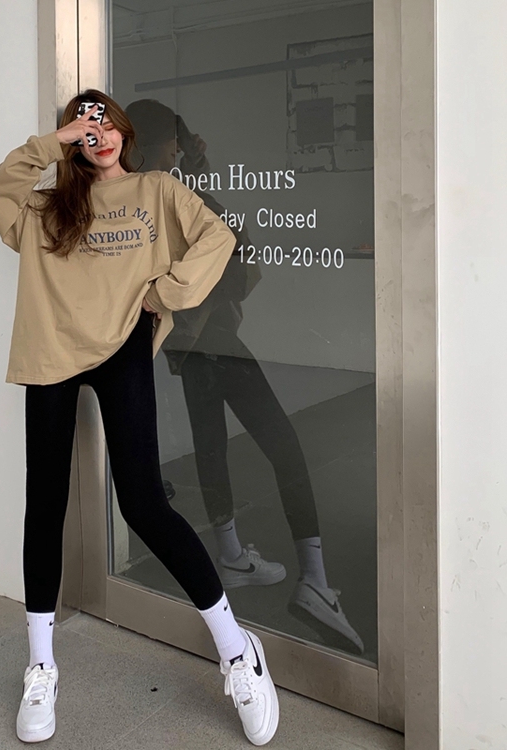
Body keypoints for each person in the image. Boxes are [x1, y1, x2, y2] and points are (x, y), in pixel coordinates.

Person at [0, 89, 279, 746]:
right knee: (45, 503)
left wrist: (165, 293)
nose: (99, 136)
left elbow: (218, 236)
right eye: (84, 130)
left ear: (124, 131)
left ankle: (237, 651)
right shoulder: (48, 207)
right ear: (72, 143)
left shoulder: (156, 191)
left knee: (144, 504)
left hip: (123, 351)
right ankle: (41, 665)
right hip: (51, 351)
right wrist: (52, 145)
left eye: (105, 123)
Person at [124, 99, 364, 656]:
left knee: (211, 444)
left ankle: (232, 555)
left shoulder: (135, 198)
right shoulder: (168, 194)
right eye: (173, 141)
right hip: (212, 340)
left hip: (188, 343)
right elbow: (232, 249)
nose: (180, 149)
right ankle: (314, 580)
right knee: (284, 444)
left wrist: (197, 169)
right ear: (152, 146)